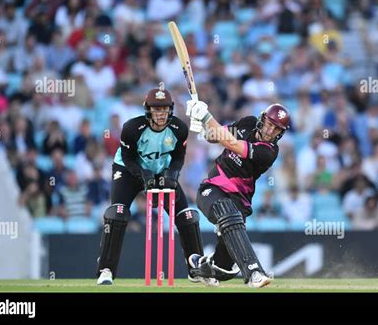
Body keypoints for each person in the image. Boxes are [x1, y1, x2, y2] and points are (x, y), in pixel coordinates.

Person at [96, 88, 216, 286]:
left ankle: (196, 269)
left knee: (187, 216)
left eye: (164, 109)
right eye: (156, 109)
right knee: (116, 213)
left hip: (161, 170)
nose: (160, 114)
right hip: (129, 170)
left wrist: (172, 174)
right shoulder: (132, 128)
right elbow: (127, 157)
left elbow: (178, 157)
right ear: (148, 110)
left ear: (170, 110)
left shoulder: (179, 129)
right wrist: (142, 175)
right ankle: (106, 270)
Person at [185, 100, 291, 288]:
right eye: (269, 124)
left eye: (276, 129)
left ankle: (200, 266)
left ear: (280, 134)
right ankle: (254, 272)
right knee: (227, 212)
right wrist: (200, 123)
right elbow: (213, 137)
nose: (270, 131)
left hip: (239, 201)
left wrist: (207, 116)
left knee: (223, 268)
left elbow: (231, 143)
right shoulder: (247, 123)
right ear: (262, 119)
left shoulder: (269, 152)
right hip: (212, 189)